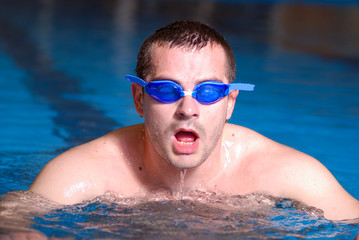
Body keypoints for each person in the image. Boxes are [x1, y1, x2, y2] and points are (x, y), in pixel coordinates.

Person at [28, 20, 359, 221]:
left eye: (209, 91)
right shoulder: (87, 172)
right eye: (166, 90)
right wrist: (19, 230)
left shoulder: (283, 172)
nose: (188, 108)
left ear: (230, 102)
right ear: (139, 98)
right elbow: (12, 218)